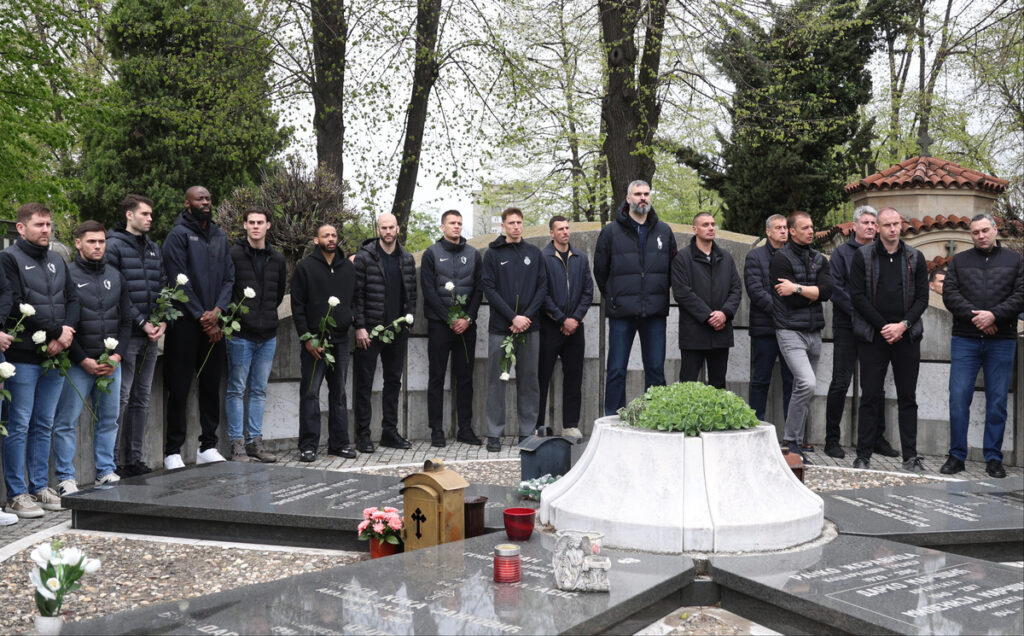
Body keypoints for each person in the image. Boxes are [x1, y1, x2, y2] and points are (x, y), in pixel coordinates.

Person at [1, 203, 80, 518]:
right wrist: (55, 333)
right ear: (21, 228)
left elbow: (72, 298)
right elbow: (15, 303)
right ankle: (16, 494)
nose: (46, 230)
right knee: (18, 425)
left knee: (44, 424)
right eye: (39, 225)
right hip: (23, 355)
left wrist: (66, 335)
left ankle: (39, 487)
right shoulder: (8, 260)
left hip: (56, 355)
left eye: (49, 224)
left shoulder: (57, 260)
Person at [51, 221, 133, 494]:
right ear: (78, 243)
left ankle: (105, 472)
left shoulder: (116, 275)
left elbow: (126, 321)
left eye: (101, 241)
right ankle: (65, 478)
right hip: (77, 363)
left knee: (109, 420)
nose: (98, 246)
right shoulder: (67, 275)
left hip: (111, 364)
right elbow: (64, 322)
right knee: (66, 422)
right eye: (91, 242)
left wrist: (117, 356)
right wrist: (82, 358)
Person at [941, 214, 1024, 478]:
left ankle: (993, 458)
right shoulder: (959, 261)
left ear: (995, 230)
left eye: (985, 230)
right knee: (958, 398)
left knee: (997, 401)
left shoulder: (1015, 260)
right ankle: (956, 456)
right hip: (965, 338)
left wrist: (995, 315)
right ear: (971, 235)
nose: (981, 235)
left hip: (1001, 339)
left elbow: (1021, 295)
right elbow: (950, 294)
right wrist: (979, 318)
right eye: (975, 232)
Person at [848, 208, 929, 472]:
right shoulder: (863, 257)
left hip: (907, 337)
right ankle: (863, 455)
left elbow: (922, 299)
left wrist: (903, 326)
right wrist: (885, 327)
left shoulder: (915, 257)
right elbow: (857, 296)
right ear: (878, 229)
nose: (893, 229)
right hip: (874, 336)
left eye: (896, 223)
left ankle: (911, 456)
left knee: (908, 397)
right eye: (887, 225)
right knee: (870, 395)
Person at [161, 186, 234, 469]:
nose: (205, 202)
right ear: (187, 202)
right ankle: (172, 451)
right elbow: (177, 280)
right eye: (199, 198)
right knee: (179, 387)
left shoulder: (219, 235)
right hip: (186, 325)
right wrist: (202, 316)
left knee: (210, 385)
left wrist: (217, 311)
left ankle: (208, 446)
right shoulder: (177, 236)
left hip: (214, 324)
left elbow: (229, 277)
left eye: (208, 198)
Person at [593, 180, 677, 415]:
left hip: (655, 312)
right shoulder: (611, 231)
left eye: (646, 194)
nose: (643, 198)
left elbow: (673, 269)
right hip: (622, 312)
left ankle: (656, 415)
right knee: (617, 368)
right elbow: (600, 270)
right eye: (638, 194)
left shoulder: (664, 231)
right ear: (628, 198)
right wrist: (613, 297)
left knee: (655, 370)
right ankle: (613, 417)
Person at [823, 206, 899, 460]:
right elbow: (837, 289)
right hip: (847, 326)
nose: (870, 227)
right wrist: (863, 313)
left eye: (873, 223)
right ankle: (832, 440)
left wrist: (876, 318)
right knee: (840, 383)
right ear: (854, 226)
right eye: (865, 222)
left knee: (874, 386)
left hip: (876, 328)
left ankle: (876, 438)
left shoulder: (883, 252)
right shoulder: (841, 255)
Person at [106, 194, 165, 478]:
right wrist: (141, 322)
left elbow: (162, 286)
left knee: (141, 398)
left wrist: (162, 320)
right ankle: (112, 463)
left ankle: (134, 460)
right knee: (122, 398)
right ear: (129, 215)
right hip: (127, 335)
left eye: (151, 214)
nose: (150, 218)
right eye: (145, 214)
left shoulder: (154, 248)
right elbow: (117, 291)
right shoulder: (113, 246)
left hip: (151, 336)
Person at [481, 207, 547, 452]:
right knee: (497, 381)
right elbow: (489, 289)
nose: (516, 226)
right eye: (512, 223)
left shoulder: (534, 253)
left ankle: (526, 432)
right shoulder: (492, 254)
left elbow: (542, 287)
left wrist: (526, 317)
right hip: (502, 328)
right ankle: (494, 433)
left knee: (529, 382)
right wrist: (512, 317)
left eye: (519, 222)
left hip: (530, 328)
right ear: (503, 226)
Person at [770, 211, 832, 463]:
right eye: (804, 227)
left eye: (812, 226)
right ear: (792, 231)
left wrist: (797, 287)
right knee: (806, 383)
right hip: (789, 330)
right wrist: (811, 292)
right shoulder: (780, 259)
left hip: (814, 331)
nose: (811, 231)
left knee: (803, 388)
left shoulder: (820, 259)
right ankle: (790, 440)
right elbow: (791, 301)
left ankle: (793, 444)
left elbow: (827, 292)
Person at [225, 208, 286, 463]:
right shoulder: (233, 254)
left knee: (259, 390)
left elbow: (280, 293)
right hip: (241, 334)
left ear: (268, 225)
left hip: (268, 334)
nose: (256, 227)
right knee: (237, 389)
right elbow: (227, 288)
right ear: (245, 225)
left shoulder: (278, 258)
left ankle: (255, 442)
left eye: (261, 222)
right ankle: (237, 444)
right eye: (251, 222)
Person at [291, 224, 356, 461]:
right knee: (310, 394)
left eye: (334, 235)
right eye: (326, 235)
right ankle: (308, 446)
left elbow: (355, 297)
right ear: (316, 239)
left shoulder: (348, 267)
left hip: (341, 341)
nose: (331, 239)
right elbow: (297, 307)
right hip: (315, 343)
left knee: (339, 393)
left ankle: (339, 444)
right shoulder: (305, 268)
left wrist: (352, 318)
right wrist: (307, 338)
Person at [353, 213, 417, 453]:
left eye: (391, 227)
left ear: (397, 229)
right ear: (378, 229)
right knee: (364, 384)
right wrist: (359, 326)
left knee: (393, 382)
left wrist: (408, 321)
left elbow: (412, 293)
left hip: (398, 331)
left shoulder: (407, 258)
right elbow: (356, 295)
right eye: (384, 228)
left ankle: (389, 432)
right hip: (369, 331)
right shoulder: (365, 257)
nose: (388, 231)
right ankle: (363, 435)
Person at [420, 210, 483, 447]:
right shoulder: (431, 254)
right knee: (436, 377)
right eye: (452, 223)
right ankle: (437, 429)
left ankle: (465, 429)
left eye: (459, 223)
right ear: (442, 227)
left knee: (465, 378)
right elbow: (429, 291)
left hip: (466, 327)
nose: (456, 227)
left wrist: (467, 318)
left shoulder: (473, 254)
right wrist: (449, 318)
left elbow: (478, 290)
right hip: (440, 325)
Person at [538, 215, 593, 440]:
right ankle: (538, 425)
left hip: (575, 329)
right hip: (550, 326)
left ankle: (570, 425)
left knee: (573, 378)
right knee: (542, 377)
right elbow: (542, 292)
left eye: (567, 228)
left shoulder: (580, 257)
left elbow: (588, 291)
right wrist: (562, 319)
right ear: (551, 233)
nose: (565, 232)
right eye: (560, 229)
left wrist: (575, 319)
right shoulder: (543, 257)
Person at [671, 213, 741, 388]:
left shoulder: (726, 257)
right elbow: (682, 293)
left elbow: (736, 289)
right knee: (688, 385)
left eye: (712, 224)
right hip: (694, 333)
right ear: (695, 229)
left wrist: (724, 314)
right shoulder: (682, 258)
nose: (710, 228)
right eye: (705, 225)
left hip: (721, 333)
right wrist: (709, 316)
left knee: (718, 385)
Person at [744, 214, 793, 422]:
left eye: (785, 227)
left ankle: (794, 435)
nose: (783, 231)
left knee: (793, 380)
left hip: (792, 329)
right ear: (768, 232)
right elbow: (755, 291)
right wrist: (781, 310)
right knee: (761, 379)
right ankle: (755, 424)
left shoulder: (795, 255)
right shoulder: (755, 257)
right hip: (765, 328)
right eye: (778, 227)